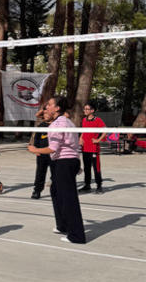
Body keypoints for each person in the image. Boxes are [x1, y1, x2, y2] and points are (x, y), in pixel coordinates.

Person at [32, 96, 86, 244]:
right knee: (55, 191)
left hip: (64, 162)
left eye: (49, 105)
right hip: (67, 161)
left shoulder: (57, 125)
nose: (46, 108)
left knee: (68, 198)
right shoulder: (67, 122)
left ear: (57, 108)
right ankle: (63, 225)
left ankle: (77, 235)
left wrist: (35, 149)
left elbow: (52, 148)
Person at [79, 102, 107, 194]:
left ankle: (99, 186)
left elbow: (105, 131)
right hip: (85, 148)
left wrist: (98, 140)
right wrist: (80, 138)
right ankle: (87, 185)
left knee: (96, 168)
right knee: (86, 168)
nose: (85, 110)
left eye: (87, 109)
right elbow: (83, 131)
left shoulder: (98, 120)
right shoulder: (84, 120)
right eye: (84, 109)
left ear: (92, 110)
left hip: (94, 148)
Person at [27, 104, 51, 199]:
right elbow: (36, 139)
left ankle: (57, 189)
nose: (46, 115)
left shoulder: (57, 125)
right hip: (41, 153)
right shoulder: (41, 126)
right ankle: (37, 190)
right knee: (40, 173)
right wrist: (36, 149)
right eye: (44, 114)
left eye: (47, 113)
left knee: (56, 173)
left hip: (53, 153)